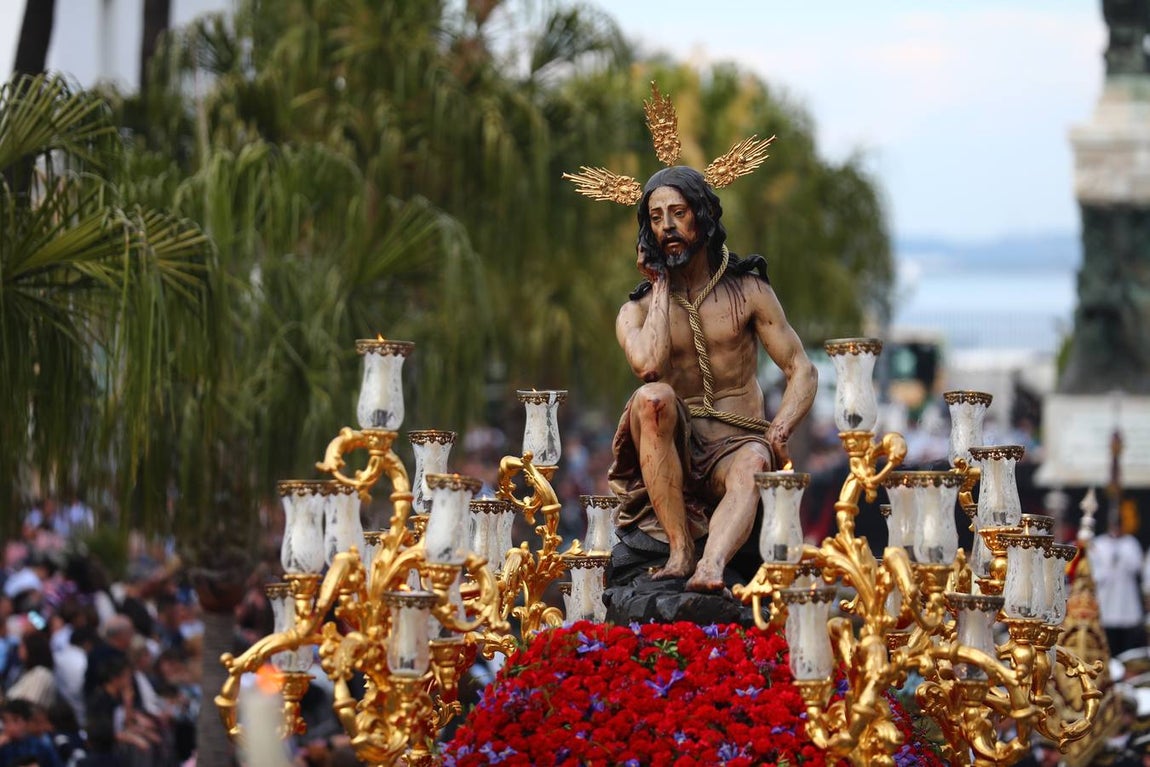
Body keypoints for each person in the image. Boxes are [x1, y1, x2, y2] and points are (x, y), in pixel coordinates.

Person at [608, 165, 818, 593]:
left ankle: (711, 567)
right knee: (653, 396)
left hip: (737, 443)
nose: (667, 226)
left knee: (754, 464)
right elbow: (648, 365)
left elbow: (802, 369)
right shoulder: (639, 310)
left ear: (702, 216)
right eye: (655, 217)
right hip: (673, 445)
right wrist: (661, 284)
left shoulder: (749, 292)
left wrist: (780, 428)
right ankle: (680, 550)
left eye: (678, 212)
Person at [1091, 514, 1146, 656]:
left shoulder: (1130, 543)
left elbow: (1136, 566)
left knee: (1127, 638)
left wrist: (1121, 556)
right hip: (1107, 596)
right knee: (1107, 636)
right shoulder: (1099, 543)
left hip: (1125, 597)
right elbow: (1094, 570)